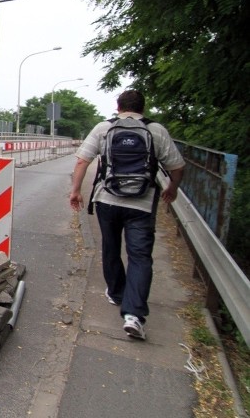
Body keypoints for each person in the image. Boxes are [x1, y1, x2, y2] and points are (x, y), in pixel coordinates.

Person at [69, 90, 185, 340]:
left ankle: (116, 292)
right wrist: (171, 189)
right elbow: (177, 166)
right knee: (140, 256)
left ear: (118, 106)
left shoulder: (104, 128)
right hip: (141, 204)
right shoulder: (156, 131)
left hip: (107, 201)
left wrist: (76, 191)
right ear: (143, 108)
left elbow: (82, 161)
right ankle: (133, 315)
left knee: (110, 247)